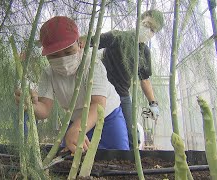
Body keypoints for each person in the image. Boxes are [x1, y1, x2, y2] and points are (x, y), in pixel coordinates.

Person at [15, 16, 129, 153]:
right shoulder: (48, 73)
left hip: (107, 118)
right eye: (54, 55)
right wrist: (30, 104)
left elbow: (98, 105)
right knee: (70, 161)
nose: (62, 60)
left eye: (68, 52)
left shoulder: (93, 65)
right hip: (74, 120)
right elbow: (44, 109)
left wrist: (76, 129)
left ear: (80, 44)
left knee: (118, 160)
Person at [81, 9, 164, 148]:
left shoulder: (145, 52)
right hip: (101, 92)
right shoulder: (117, 37)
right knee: (91, 126)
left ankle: (129, 164)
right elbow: (88, 42)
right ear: (139, 22)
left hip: (122, 95)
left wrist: (153, 103)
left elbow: (144, 79)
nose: (148, 30)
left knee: (132, 135)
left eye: (153, 29)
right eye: (147, 24)